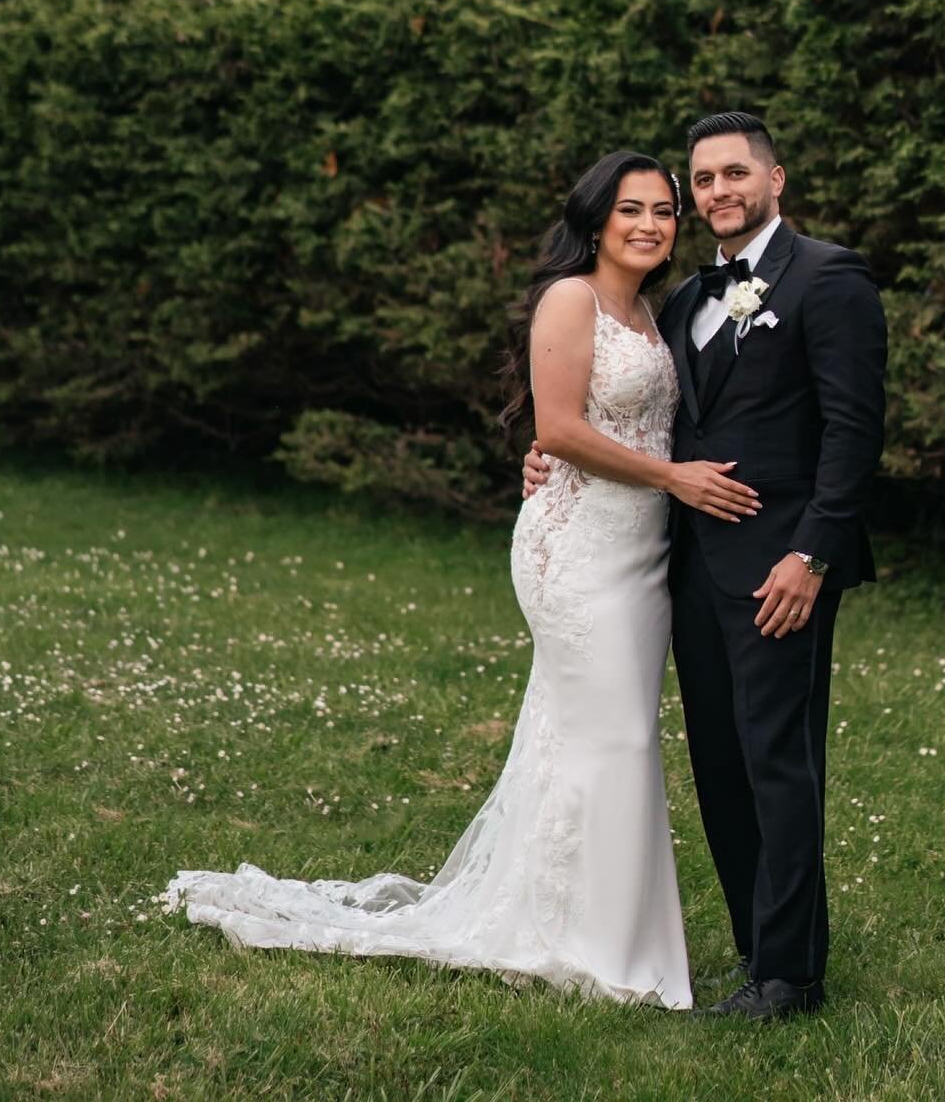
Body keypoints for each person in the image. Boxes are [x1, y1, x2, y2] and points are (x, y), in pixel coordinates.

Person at [159, 149, 756, 1009]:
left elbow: (621, 422)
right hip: (578, 547)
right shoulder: (570, 297)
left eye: (665, 211)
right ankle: (602, 951)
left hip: (642, 551)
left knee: (598, 736)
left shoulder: (651, 311)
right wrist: (672, 479)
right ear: (596, 219)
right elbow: (558, 427)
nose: (652, 225)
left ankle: (587, 926)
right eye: (633, 209)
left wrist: (661, 481)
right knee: (615, 737)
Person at [523, 111, 888, 1020]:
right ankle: (757, 953)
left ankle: (794, 976)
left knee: (780, 762)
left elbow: (854, 431)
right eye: (707, 180)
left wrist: (814, 554)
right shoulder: (680, 300)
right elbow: (637, 419)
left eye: (735, 174)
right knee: (722, 769)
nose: (719, 192)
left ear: (776, 180)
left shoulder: (829, 278)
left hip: (781, 574)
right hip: (686, 572)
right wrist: (548, 455)